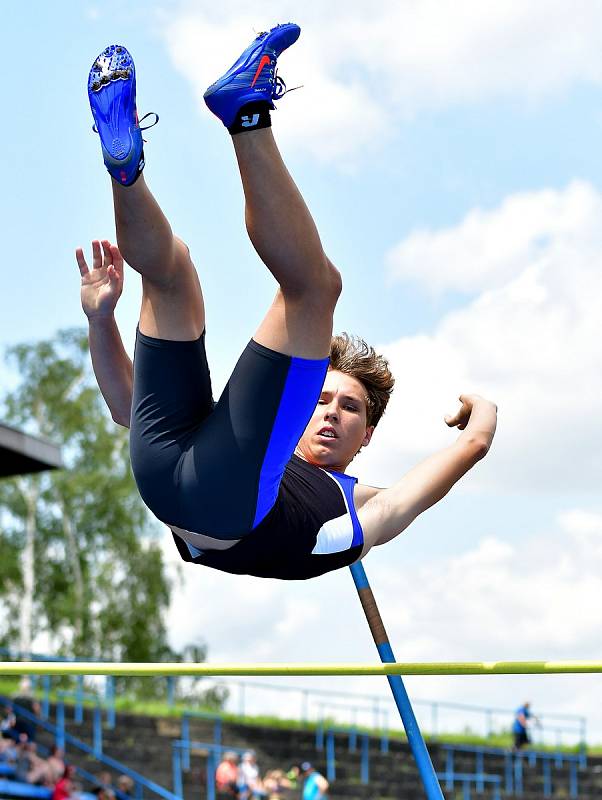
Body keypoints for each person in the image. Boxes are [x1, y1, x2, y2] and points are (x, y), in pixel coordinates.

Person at [77, 24, 497, 581]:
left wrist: (481, 429)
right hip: (187, 481)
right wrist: (102, 318)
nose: (330, 414)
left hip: (207, 496)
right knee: (171, 274)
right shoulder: (252, 446)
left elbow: (428, 482)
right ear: (296, 412)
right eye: (323, 399)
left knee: (316, 290)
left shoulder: (361, 503)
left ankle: (244, 115)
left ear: (367, 435)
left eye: (350, 409)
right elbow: (125, 409)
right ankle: (127, 171)